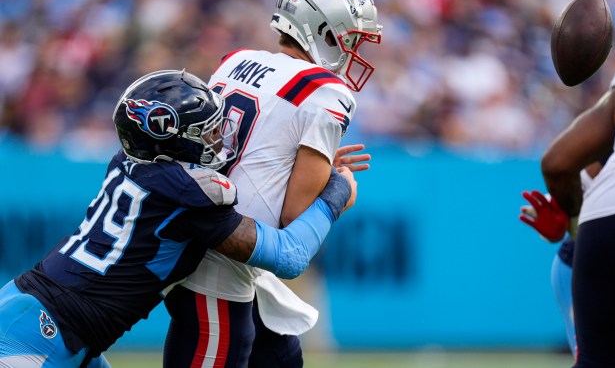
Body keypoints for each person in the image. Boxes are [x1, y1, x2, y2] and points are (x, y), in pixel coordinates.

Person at [0, 69, 357, 368]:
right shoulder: (189, 194)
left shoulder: (133, 163)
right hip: (42, 331)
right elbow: (289, 256)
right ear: (173, 140)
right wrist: (336, 195)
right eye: (207, 131)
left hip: (44, 316)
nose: (220, 138)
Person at [163, 0, 382, 368]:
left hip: (218, 254)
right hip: (223, 274)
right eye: (350, 38)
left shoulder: (237, 61)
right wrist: (340, 190)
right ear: (325, 30)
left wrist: (306, 163)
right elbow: (295, 221)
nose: (354, 50)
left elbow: (240, 148)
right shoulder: (326, 92)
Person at [533, 67, 615, 367]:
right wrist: (568, 220)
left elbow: (559, 164)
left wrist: (568, 219)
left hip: (598, 235)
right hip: (582, 251)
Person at [519, 163, 602, 358]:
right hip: (585, 265)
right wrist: (562, 210)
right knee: (595, 359)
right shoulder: (605, 149)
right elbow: (560, 162)